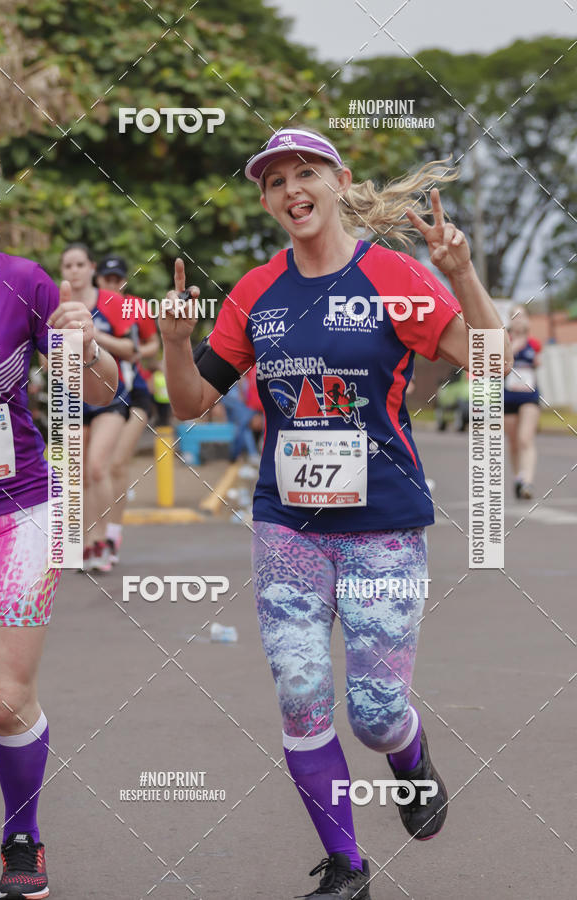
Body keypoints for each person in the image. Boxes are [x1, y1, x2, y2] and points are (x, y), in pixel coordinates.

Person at [160, 127, 512, 898]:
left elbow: (486, 359)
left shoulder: (393, 276)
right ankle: (347, 866)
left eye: (306, 172)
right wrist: (176, 344)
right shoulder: (255, 292)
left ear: (337, 180)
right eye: (275, 179)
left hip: (382, 526)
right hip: (287, 525)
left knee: (376, 713)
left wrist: (460, 271)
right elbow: (191, 403)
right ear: (265, 199)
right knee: (299, 686)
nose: (292, 188)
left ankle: (409, 754)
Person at [0, 139, 117, 899]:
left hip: (19, 511)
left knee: (2, 695)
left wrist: (87, 347)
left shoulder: (21, 282)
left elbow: (100, 392)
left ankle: (22, 836)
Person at [60, 245, 137, 571]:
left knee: (96, 467)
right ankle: (86, 542)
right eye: (68, 265)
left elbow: (132, 350)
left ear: (91, 267)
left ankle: (105, 540)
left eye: (80, 264)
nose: (74, 270)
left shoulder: (113, 303)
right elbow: (47, 359)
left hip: (110, 395)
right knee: (75, 476)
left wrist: (92, 339)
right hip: (72, 398)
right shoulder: (58, 305)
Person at [94, 254, 159, 564]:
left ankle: (112, 534)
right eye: (107, 279)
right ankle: (95, 534)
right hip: (97, 395)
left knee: (117, 464)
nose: (113, 285)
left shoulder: (135, 306)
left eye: (118, 279)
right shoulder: (86, 308)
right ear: (97, 280)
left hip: (135, 393)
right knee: (96, 468)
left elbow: (152, 345)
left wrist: (133, 353)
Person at [504, 305, 541, 499]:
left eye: (523, 316)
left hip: (529, 396)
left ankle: (528, 482)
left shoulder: (534, 343)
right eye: (515, 317)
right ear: (510, 320)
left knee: (526, 438)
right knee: (514, 442)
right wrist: (514, 346)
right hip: (508, 397)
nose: (519, 320)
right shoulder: (505, 341)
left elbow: (537, 364)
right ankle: (519, 477)